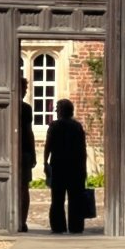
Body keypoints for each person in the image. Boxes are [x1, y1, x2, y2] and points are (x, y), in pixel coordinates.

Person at [42, 100, 91, 235]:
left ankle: (58, 226)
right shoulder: (77, 127)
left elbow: (48, 146)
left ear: (62, 111)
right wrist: (84, 168)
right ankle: (75, 226)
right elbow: (82, 149)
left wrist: (45, 162)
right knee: (75, 198)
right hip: (75, 167)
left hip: (58, 166)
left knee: (57, 199)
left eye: (57, 108)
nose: (56, 111)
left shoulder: (54, 126)